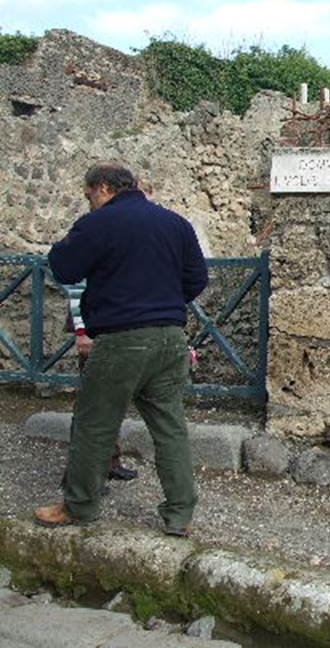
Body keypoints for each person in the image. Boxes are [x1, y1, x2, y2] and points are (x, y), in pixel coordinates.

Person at [34, 162, 208, 536]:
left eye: (89, 196)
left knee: (95, 425)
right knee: (170, 428)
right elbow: (198, 278)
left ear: (102, 189)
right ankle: (180, 514)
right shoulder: (175, 223)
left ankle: (80, 506)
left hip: (121, 340)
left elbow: (63, 268)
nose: (89, 203)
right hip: (170, 336)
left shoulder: (99, 223)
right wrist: (161, 303)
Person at [65, 281, 138, 483]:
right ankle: (83, 476)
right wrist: (82, 330)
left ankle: (108, 462)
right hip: (95, 322)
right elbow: (77, 282)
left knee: (111, 400)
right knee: (91, 404)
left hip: (115, 320)